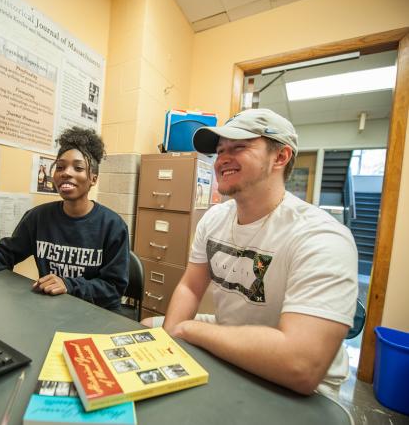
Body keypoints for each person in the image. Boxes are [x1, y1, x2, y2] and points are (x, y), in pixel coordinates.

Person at [141, 108, 358, 396]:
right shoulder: (214, 219)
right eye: (220, 151)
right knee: (148, 326)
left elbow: (301, 365)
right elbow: (191, 287)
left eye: (239, 147)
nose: (222, 160)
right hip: (230, 331)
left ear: (280, 157)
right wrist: (171, 337)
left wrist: (187, 330)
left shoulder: (321, 237)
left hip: (307, 387)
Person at [0, 127, 129, 311]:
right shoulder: (39, 217)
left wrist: (69, 285)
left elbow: (113, 289)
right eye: (61, 167)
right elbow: (5, 254)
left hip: (94, 315)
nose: (66, 173)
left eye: (78, 167)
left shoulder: (113, 226)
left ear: (93, 179)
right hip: (50, 310)